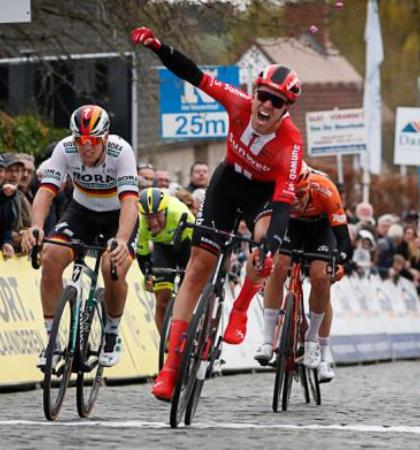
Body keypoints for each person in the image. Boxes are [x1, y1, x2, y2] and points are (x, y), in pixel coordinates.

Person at [131, 26, 303, 400]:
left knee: (265, 248)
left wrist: (270, 246)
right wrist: (160, 46)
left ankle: (240, 309)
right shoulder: (239, 103)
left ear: (286, 109)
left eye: (276, 102)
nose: (266, 106)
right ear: (254, 94)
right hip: (226, 186)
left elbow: (284, 203)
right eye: (263, 96)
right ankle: (170, 368)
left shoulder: (291, 145)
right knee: (197, 268)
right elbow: (193, 74)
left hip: (262, 197)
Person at [22, 104, 139, 369]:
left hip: (117, 216)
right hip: (81, 213)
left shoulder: (121, 152)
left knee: (113, 265)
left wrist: (121, 239)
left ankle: (111, 330)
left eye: (93, 141)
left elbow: (131, 201)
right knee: (50, 255)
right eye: (80, 141)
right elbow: (45, 192)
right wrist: (36, 226)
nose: (86, 147)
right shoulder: (65, 149)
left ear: (105, 138)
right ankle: (52, 342)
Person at [250, 165, 352, 383]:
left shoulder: (325, 189)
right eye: (291, 196)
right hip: (291, 225)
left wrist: (339, 259)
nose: (296, 200)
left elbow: (344, 239)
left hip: (320, 230)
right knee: (279, 266)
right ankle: (268, 340)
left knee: (320, 276)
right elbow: (262, 223)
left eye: (300, 195)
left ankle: (315, 342)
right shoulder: (277, 190)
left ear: (309, 188)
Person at [136, 188, 194, 332]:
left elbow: (199, 247)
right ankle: (166, 345)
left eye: (157, 216)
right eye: (149, 217)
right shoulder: (142, 224)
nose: (154, 222)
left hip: (186, 245)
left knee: (186, 295)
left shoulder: (181, 213)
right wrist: (148, 275)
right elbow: (142, 254)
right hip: (163, 248)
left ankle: (191, 333)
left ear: (165, 210)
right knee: (162, 300)